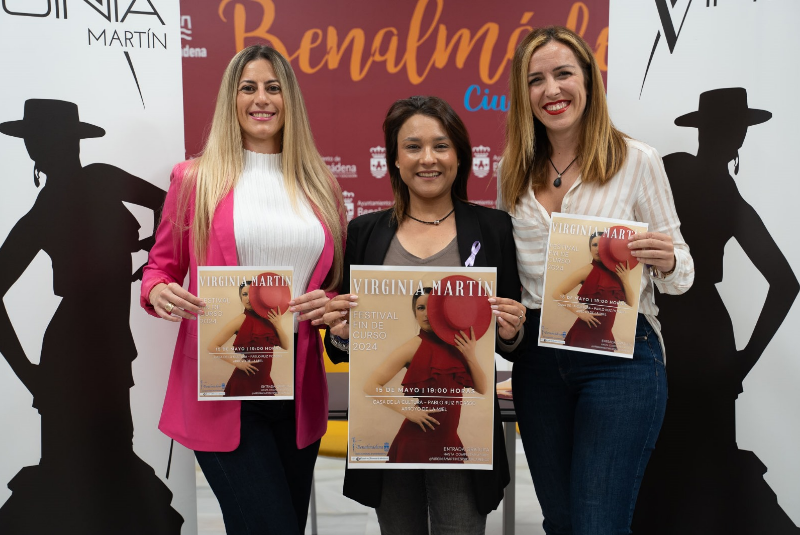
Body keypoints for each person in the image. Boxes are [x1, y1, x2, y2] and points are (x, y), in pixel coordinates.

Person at [140, 44, 345, 535]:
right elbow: (158, 269)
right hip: (224, 383)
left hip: (297, 390)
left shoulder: (322, 185)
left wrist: (332, 307)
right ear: (230, 100)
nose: (262, 99)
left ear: (289, 99)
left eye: (274, 88)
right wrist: (159, 292)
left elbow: (333, 288)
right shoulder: (195, 180)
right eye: (248, 88)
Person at [498, 26, 694, 534]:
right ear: (524, 94)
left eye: (564, 73)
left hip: (620, 357)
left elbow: (682, 275)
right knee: (561, 523)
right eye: (536, 79)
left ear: (588, 79)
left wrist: (667, 260)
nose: (551, 90)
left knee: (597, 524)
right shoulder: (513, 170)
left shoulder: (636, 161)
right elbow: (514, 283)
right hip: (539, 364)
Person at [323, 95, 526, 535]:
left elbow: (510, 337)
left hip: (465, 434)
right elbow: (343, 345)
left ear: (459, 156)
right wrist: (340, 334)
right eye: (412, 146)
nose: (428, 158)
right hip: (391, 433)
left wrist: (512, 328)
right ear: (394, 159)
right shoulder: (364, 233)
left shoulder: (493, 229)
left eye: (441, 145)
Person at [0, 99, 182, 533]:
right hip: (76, 352)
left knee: (102, 471)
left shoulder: (96, 180)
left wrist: (153, 255)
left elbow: (173, 205)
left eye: (40, 139)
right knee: (81, 476)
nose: (39, 149)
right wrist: (29, 373)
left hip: (106, 349)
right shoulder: (51, 207)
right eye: (36, 141)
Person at [364, 288, 486, 464]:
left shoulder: (457, 344)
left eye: (432, 307)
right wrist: (407, 410)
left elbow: (482, 389)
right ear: (414, 313)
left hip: (447, 443)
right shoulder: (413, 346)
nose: (426, 313)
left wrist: (470, 355)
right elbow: (370, 385)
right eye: (421, 308)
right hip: (416, 441)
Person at [206, 281, 289, 397]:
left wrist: (278, 325)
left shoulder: (269, 318)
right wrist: (238, 363)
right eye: (244, 294)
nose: (248, 298)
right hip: (243, 382)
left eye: (252, 293)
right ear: (240, 298)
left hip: (264, 383)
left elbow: (286, 346)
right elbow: (212, 346)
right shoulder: (241, 319)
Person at [555, 231, 633, 352]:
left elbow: (631, 302)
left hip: (605, 336)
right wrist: (580, 312)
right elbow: (557, 293)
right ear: (590, 248)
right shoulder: (587, 270)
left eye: (601, 245)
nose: (597, 249)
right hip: (584, 334)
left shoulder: (617, 271)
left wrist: (625, 279)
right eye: (594, 245)